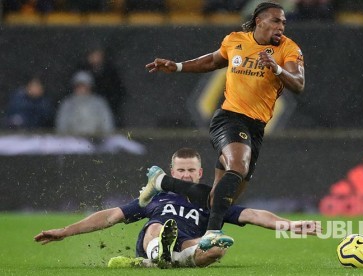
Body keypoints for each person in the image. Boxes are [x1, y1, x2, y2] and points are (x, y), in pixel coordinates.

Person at [142, 1, 305, 250]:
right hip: (229, 118)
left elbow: (298, 83)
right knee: (237, 165)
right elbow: (212, 61)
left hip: (256, 127)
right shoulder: (235, 40)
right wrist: (177, 66)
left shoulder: (288, 48)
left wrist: (278, 69)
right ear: (259, 21)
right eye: (275, 21)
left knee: (218, 199)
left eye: (283, 21)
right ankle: (212, 233)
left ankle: (163, 183)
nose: (281, 26)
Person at [34, 148, 320, 269]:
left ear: (200, 173)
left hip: (189, 244)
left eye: (190, 171)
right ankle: (159, 254)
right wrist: (66, 231)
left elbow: (254, 214)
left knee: (218, 246)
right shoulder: (154, 199)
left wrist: (291, 225)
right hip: (154, 238)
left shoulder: (211, 200)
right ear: (171, 171)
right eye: (180, 170)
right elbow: (110, 216)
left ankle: (159, 262)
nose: (184, 175)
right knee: (157, 227)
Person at [76, 46, 127, 127]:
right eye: (93, 55)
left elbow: (119, 91)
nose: (95, 58)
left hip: (109, 105)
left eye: (98, 55)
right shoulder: (83, 70)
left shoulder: (110, 71)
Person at [55, 70, 114, 136]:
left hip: (96, 140)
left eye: (84, 86)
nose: (81, 89)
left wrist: (103, 137)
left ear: (90, 87)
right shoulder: (67, 103)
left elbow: (107, 125)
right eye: (78, 86)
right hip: (73, 140)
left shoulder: (99, 103)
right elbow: (61, 126)